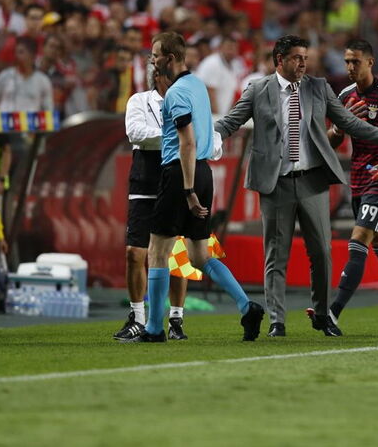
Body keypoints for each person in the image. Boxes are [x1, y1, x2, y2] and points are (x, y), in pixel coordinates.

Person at [215, 34, 378, 337]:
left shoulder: (317, 87)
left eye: (305, 57)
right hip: (276, 183)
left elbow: (350, 124)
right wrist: (205, 136)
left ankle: (324, 315)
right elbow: (229, 122)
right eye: (297, 58)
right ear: (280, 60)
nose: (303, 63)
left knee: (322, 253)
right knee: (276, 254)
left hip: (313, 180)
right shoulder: (258, 89)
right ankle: (277, 321)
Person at [123, 33, 265, 343]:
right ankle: (246, 304)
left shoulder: (175, 94)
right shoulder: (199, 87)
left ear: (170, 59)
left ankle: (154, 329)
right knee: (200, 254)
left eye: (156, 54)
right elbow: (204, 135)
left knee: (158, 252)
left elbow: (186, 141)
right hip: (204, 172)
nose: (152, 59)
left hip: (179, 175)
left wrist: (187, 191)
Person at [319, 39, 378, 332]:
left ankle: (332, 313)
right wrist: (340, 126)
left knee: (360, 234)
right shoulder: (345, 95)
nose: (349, 67)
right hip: (359, 180)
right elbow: (331, 142)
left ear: (371, 62)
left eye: (355, 61)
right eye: (347, 61)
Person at [113, 63, 191, 342]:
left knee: (177, 254)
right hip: (145, 182)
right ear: (159, 76)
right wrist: (178, 138)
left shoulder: (186, 101)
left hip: (177, 181)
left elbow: (206, 139)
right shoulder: (140, 101)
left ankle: (176, 318)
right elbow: (135, 133)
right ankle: (138, 317)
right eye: (174, 73)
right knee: (135, 252)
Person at [0, 36, 54, 112]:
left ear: (32, 56)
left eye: (21, 52)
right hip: (4, 121)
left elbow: (48, 110)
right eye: (16, 52)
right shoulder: (4, 76)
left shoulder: (43, 80)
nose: (16, 56)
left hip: (31, 122)